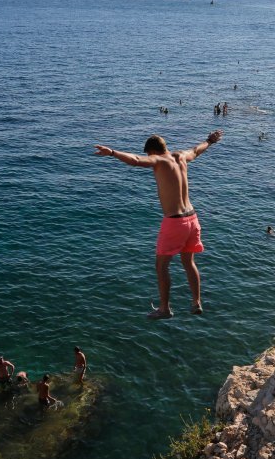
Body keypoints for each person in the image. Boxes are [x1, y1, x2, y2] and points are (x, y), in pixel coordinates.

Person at [94, 130, 223, 319]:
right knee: (188, 262)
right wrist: (210, 141)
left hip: (175, 222)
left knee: (161, 266)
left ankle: (164, 309)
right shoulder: (181, 156)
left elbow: (136, 160)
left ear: (152, 151)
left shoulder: (158, 160)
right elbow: (197, 150)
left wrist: (112, 152)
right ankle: (196, 302)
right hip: (192, 219)